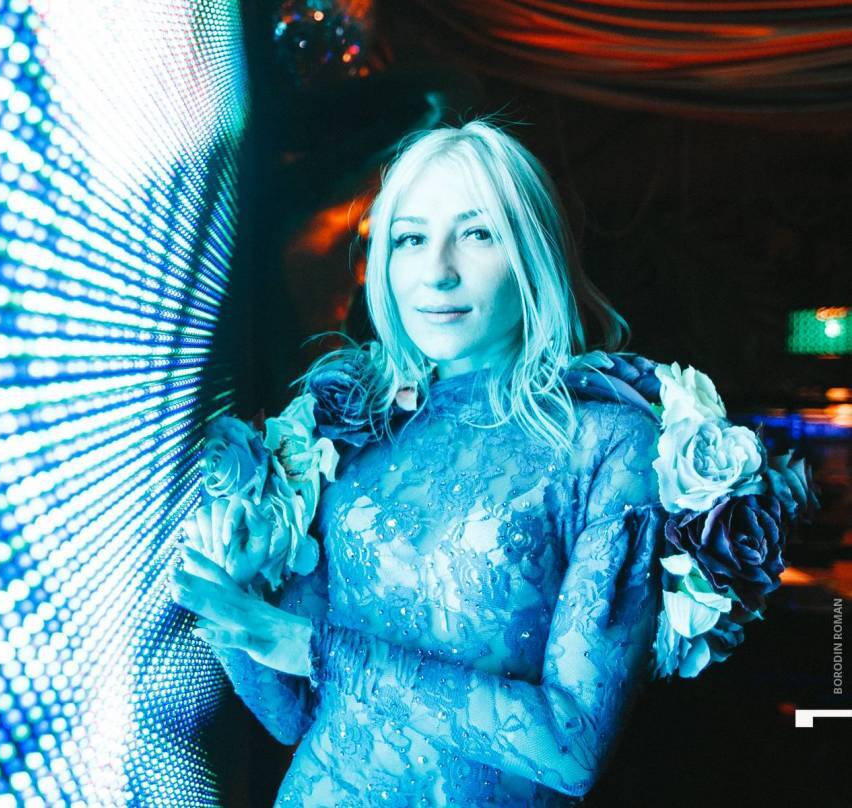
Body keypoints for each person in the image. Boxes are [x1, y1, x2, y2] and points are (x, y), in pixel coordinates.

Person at [170, 117, 666, 806]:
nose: (437, 270)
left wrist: (314, 647)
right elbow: (297, 717)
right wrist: (240, 606)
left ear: (532, 251)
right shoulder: (355, 427)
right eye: (410, 238)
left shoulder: (608, 443)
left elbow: (571, 747)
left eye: (478, 233)